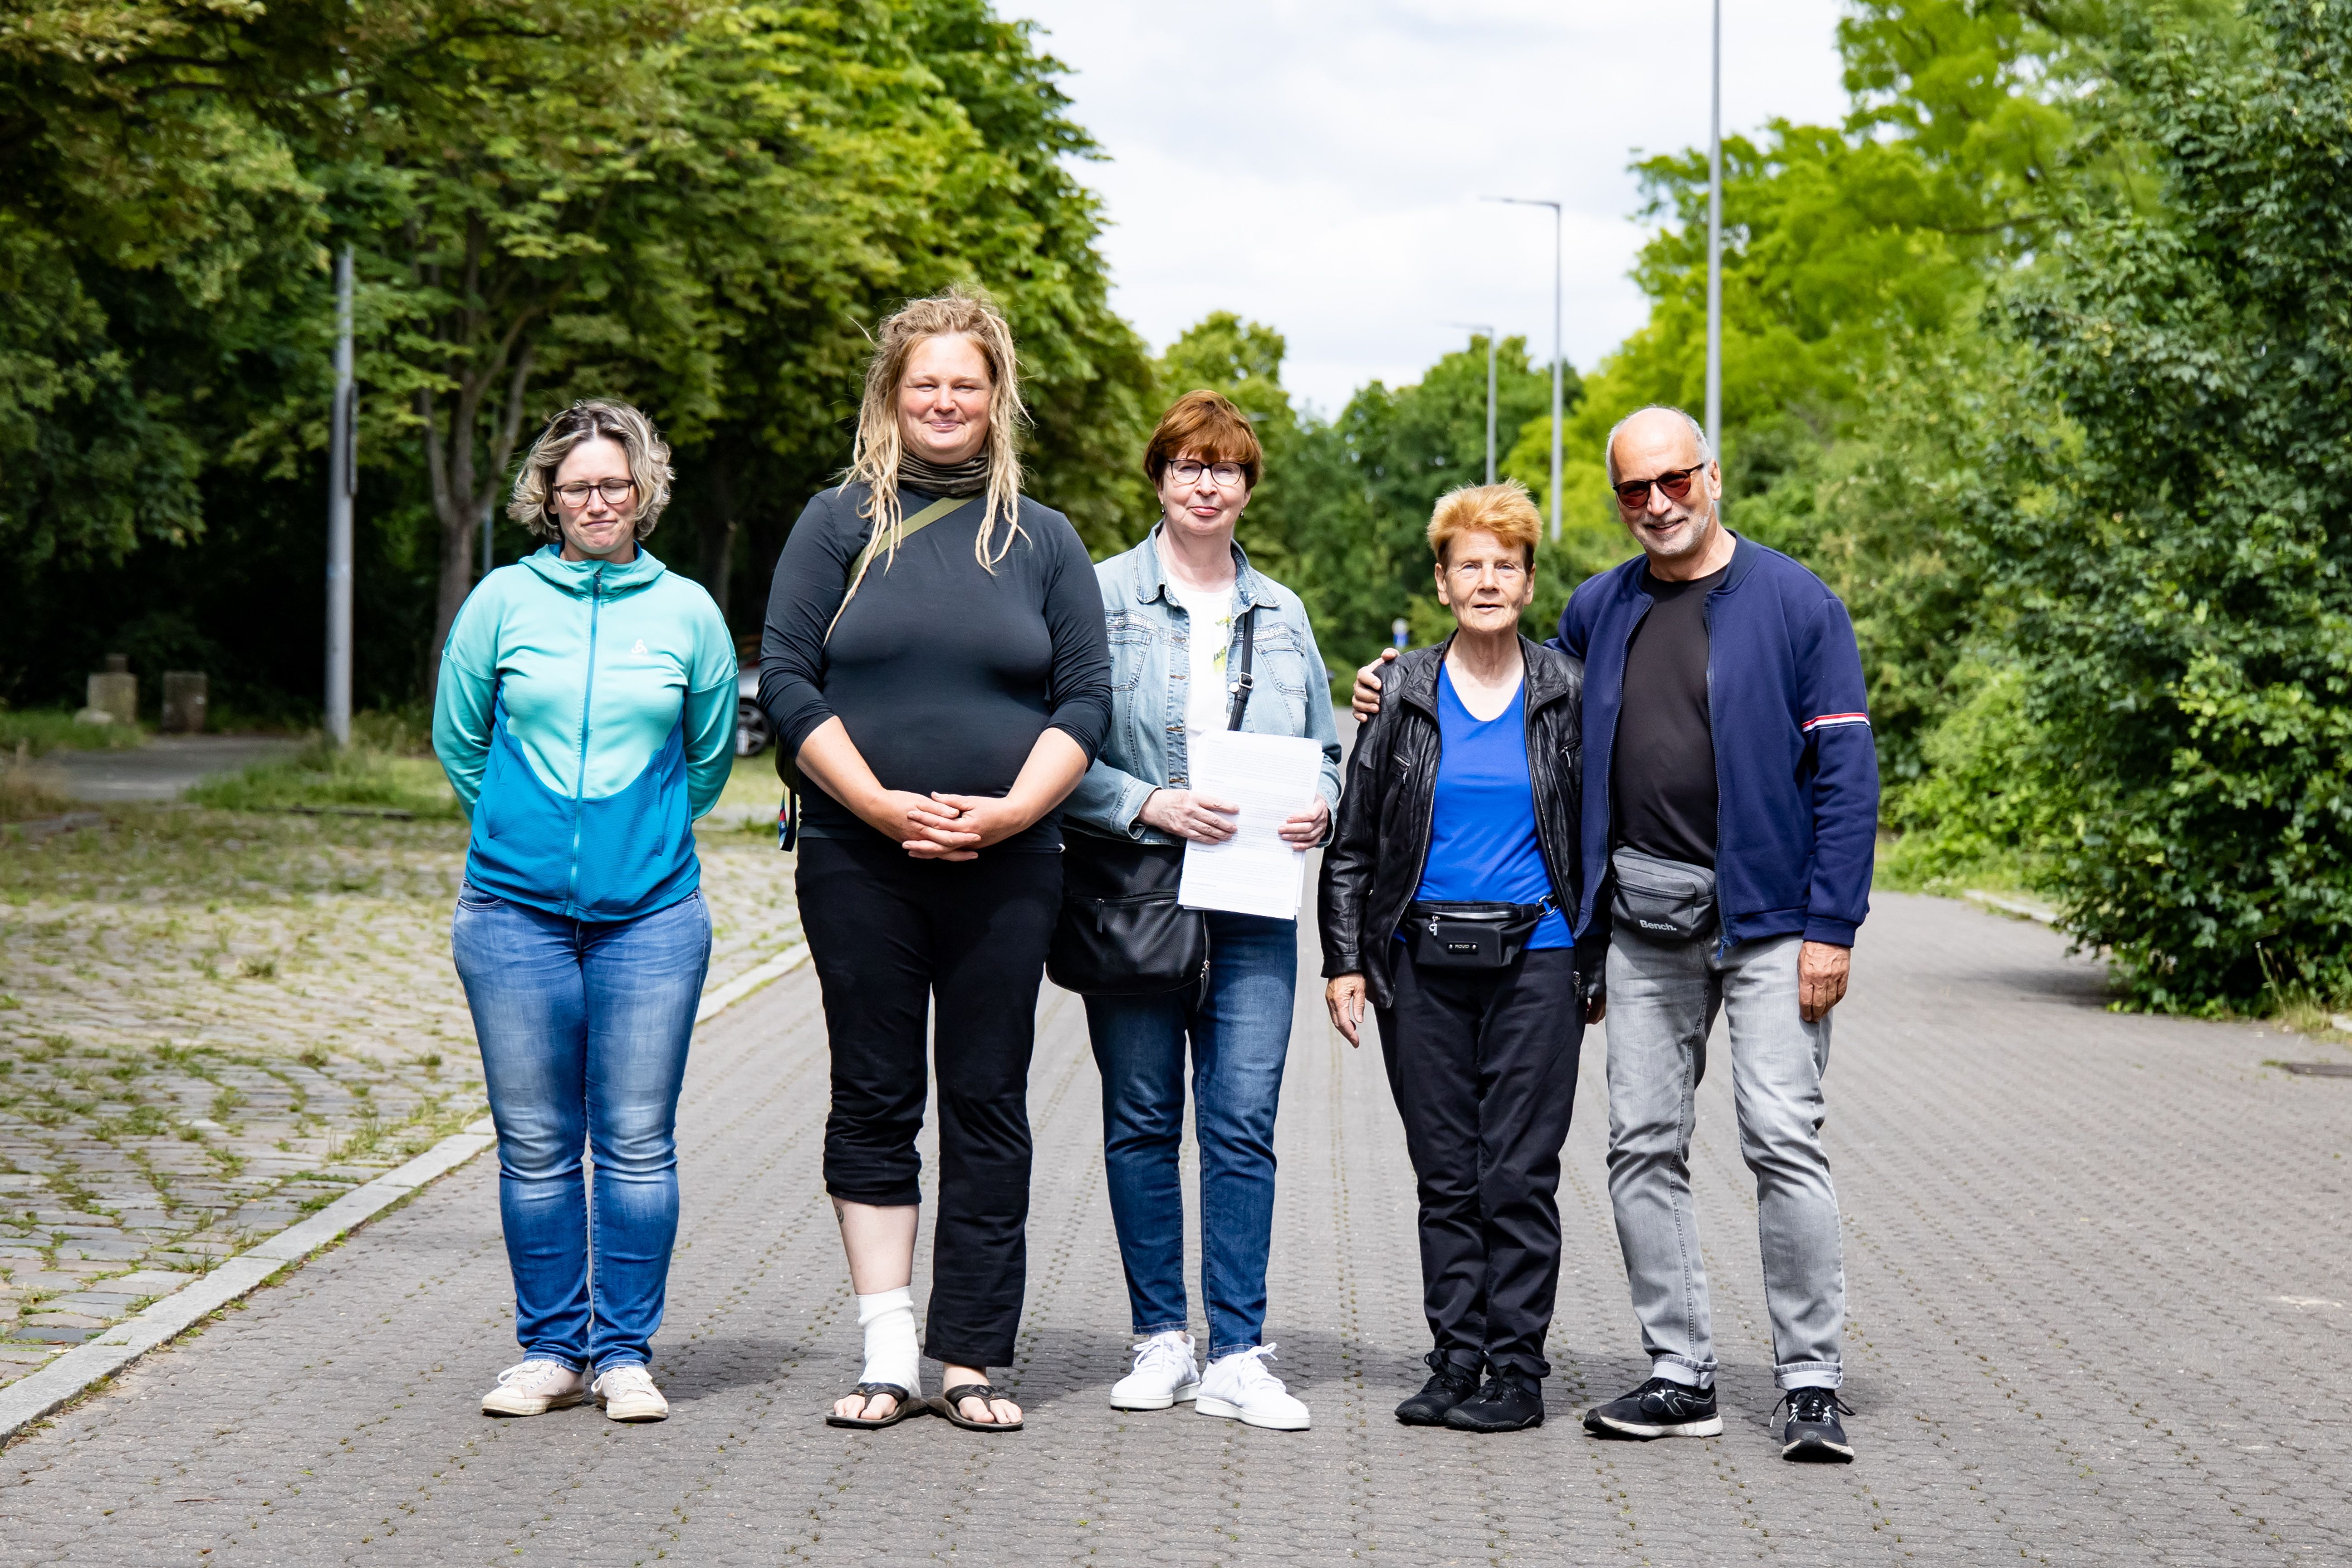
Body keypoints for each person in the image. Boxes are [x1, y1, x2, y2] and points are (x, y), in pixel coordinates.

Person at [1351, 406, 1878, 1463]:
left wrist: (1833, 925)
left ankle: (1809, 1380)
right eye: (1632, 490)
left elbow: (1845, 776)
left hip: (1775, 925)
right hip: (1644, 921)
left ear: (1711, 476)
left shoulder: (1794, 602)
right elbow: (1504, 679)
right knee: (1641, 1147)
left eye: (1672, 480)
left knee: (1781, 1141)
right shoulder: (1602, 608)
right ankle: (1679, 1373)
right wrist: (1389, 679)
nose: (1655, 503)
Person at [758, 288, 1112, 1434]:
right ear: (892, 397)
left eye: (966, 383)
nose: (945, 401)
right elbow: (788, 677)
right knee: (871, 1094)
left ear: (994, 395)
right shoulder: (835, 522)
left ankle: (969, 1356)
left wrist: (1008, 815)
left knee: (987, 1100)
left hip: (1009, 865)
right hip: (859, 859)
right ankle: (886, 1350)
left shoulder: (1044, 538)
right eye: (926, 385)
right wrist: (874, 803)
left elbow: (1085, 699)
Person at [435, 400, 738, 1425]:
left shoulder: (690, 613)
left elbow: (706, 759)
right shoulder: (500, 603)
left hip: (652, 917)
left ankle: (624, 1355)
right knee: (533, 1142)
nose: (596, 501)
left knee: (638, 1141)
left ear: (643, 491)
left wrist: (636, 841)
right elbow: (458, 741)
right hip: (510, 915)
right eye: (577, 487)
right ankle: (550, 1350)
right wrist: (524, 830)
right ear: (548, 499)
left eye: (614, 484)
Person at [1062, 390, 1342, 1432]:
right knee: (1141, 1121)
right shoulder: (1095, 598)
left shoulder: (1284, 613)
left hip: (1257, 906)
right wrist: (1148, 802)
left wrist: (1326, 804)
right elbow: (1057, 749)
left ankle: (1236, 1351)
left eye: (1225, 468)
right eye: (1187, 464)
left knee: (1242, 1125)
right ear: (1159, 477)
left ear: (1246, 486)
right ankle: (1158, 1340)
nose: (1207, 483)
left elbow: (1321, 751)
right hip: (1135, 891)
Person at [1318, 481, 1588, 1434]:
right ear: (1440, 582)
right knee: (1445, 1172)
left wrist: (1597, 959)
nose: (1486, 581)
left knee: (1516, 1171)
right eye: (1467, 564)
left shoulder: (1569, 692)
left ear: (1525, 579)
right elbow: (1352, 843)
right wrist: (1343, 961)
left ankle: (1514, 1371)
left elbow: (1597, 827)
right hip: (1417, 961)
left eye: (1503, 565)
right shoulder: (1397, 692)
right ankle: (1454, 1359)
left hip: (1539, 961)